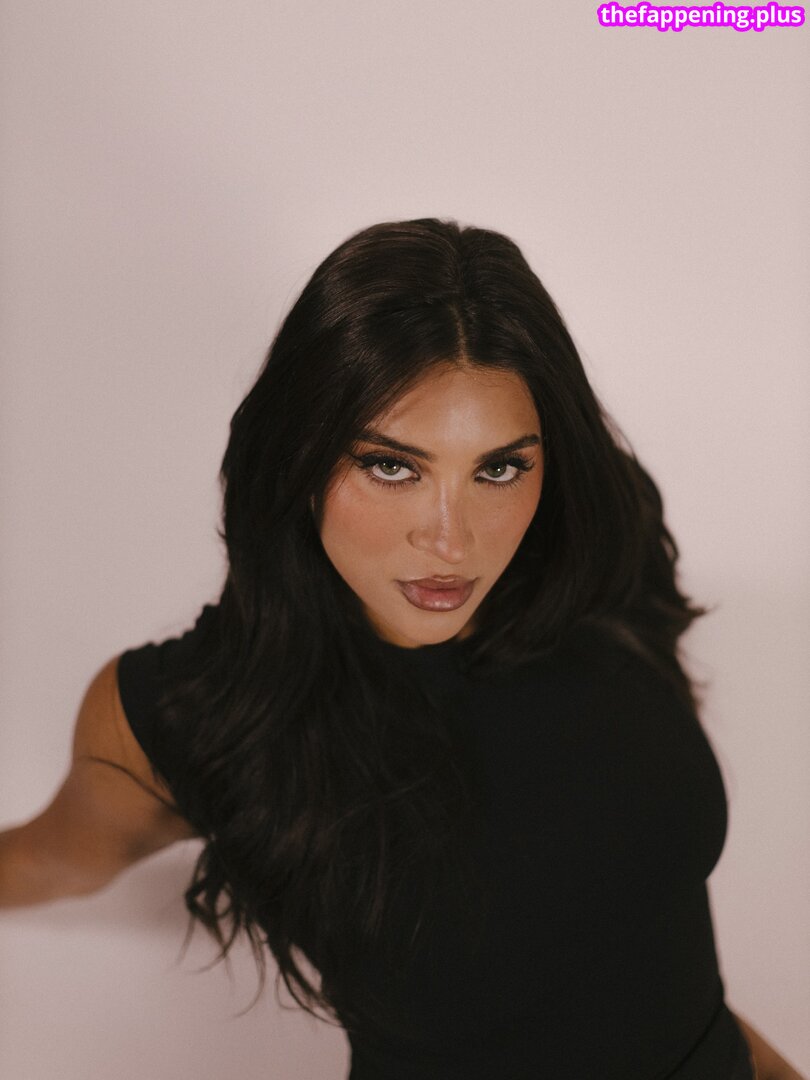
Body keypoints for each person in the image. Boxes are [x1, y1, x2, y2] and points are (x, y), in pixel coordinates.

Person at [0, 219, 802, 1080]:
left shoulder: (600, 574)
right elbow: (47, 861)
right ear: (298, 453)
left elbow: (656, 971)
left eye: (499, 469)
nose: (452, 542)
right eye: (392, 466)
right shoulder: (192, 713)